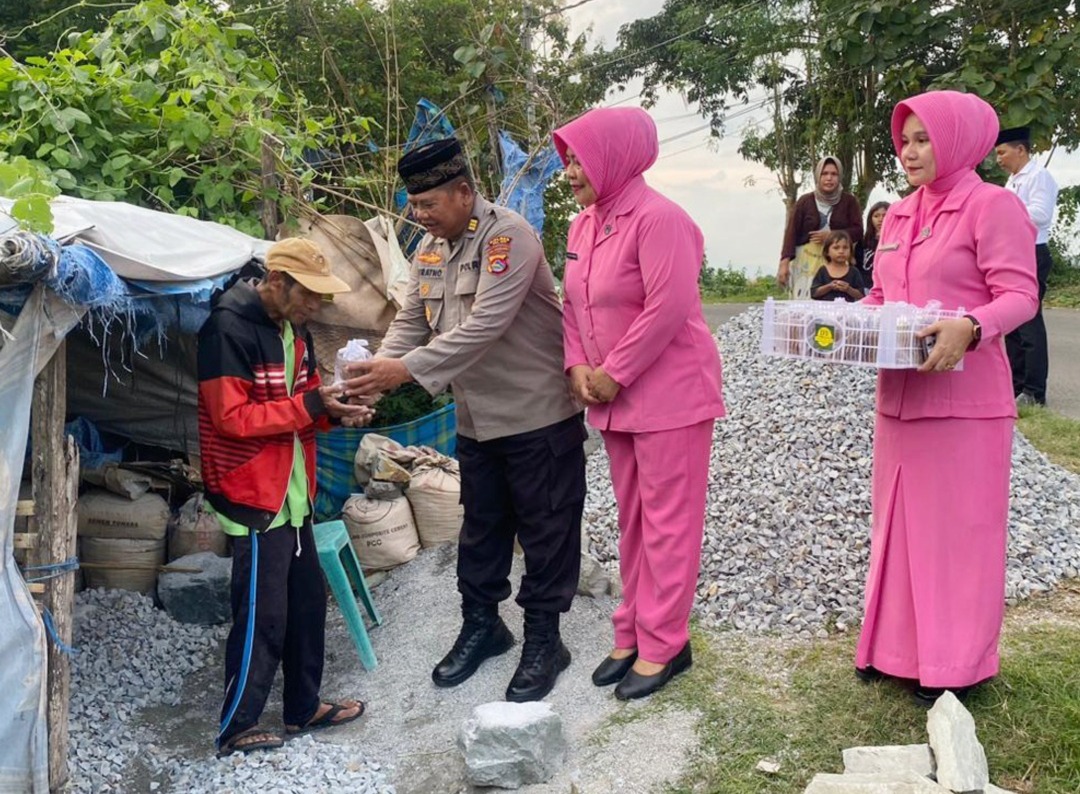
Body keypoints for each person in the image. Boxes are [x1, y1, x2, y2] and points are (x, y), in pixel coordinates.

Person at [341, 138, 586, 703]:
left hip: (536, 416)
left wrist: (403, 372)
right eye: (414, 205)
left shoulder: (509, 238)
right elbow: (411, 323)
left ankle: (545, 640)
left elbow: (484, 327)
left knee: (547, 533)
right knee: (481, 530)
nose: (420, 216)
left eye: (429, 204)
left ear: (464, 192)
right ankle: (484, 626)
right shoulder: (430, 253)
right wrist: (374, 372)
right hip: (477, 422)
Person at [857, 91, 1038, 706]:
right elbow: (884, 298)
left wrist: (972, 325)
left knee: (959, 534)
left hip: (965, 403)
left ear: (957, 141)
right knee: (901, 526)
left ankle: (956, 664)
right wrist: (846, 323)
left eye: (923, 140)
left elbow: (1020, 295)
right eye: (904, 141)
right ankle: (896, 652)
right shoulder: (900, 214)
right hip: (901, 398)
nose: (908, 153)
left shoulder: (992, 207)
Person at [552, 107, 725, 700]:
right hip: (613, 397)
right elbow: (572, 305)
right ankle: (631, 630)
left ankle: (665, 642)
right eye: (568, 160)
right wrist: (577, 365)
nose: (570, 172)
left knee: (669, 525)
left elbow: (668, 307)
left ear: (614, 157)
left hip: (671, 395)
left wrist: (614, 372)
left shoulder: (660, 219)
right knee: (633, 520)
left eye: (580, 159)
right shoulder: (583, 226)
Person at [198, 238, 374, 756]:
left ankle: (303, 707)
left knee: (306, 604)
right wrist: (313, 405)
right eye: (309, 294)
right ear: (277, 281)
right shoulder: (226, 328)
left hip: (293, 492)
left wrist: (337, 409)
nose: (315, 305)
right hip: (253, 493)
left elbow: (306, 400)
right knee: (263, 614)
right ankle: (236, 726)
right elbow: (231, 418)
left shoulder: (295, 330)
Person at [995, 126, 1059, 406]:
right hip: (1012, 253)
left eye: (1002, 152)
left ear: (1020, 150)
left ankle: (1034, 391)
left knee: (1029, 321)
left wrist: (1006, 210)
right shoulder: (1012, 181)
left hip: (1032, 252)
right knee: (1013, 323)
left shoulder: (1038, 176)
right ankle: (1016, 385)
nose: (998, 159)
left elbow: (1041, 214)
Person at [778, 156, 864, 299]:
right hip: (806, 262)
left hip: (836, 262)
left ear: (840, 177)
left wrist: (831, 236)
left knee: (834, 300)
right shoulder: (805, 201)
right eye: (824, 174)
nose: (829, 178)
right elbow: (791, 232)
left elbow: (858, 231)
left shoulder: (849, 201)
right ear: (818, 176)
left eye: (834, 174)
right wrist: (784, 262)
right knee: (804, 301)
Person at [811, 230, 865, 302]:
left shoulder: (854, 271)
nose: (841, 251)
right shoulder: (823, 270)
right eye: (836, 248)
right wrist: (829, 286)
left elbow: (861, 295)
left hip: (847, 308)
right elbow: (814, 293)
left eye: (845, 248)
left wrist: (848, 289)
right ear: (827, 252)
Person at [856, 201, 890, 288]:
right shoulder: (863, 241)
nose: (880, 219)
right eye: (876, 216)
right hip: (866, 286)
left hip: (888, 285)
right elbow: (858, 265)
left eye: (885, 215)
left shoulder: (897, 242)